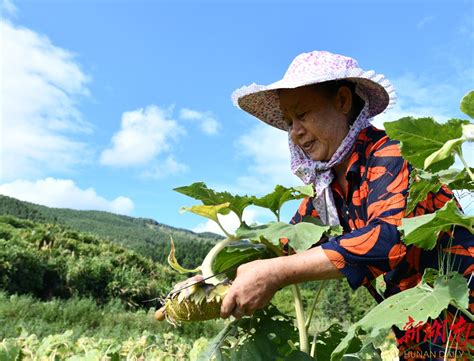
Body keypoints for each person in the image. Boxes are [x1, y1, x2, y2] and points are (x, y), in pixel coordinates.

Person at [222, 50, 473, 359]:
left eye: (302, 115)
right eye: (289, 122)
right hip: (417, 334)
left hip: (463, 319)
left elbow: (386, 241)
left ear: (342, 101)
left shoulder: (390, 154)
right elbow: (284, 244)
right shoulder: (327, 190)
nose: (295, 132)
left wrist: (276, 273)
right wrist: (212, 281)